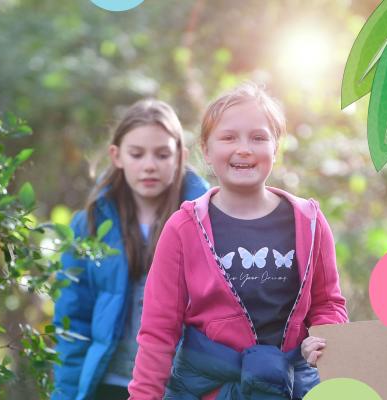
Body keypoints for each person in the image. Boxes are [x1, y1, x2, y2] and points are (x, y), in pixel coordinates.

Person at [129, 83, 348, 400]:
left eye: (258, 138)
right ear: (206, 150)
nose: (244, 148)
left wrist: (326, 339)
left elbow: (327, 303)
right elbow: (158, 330)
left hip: (291, 388)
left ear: (276, 148)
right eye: (229, 137)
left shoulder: (309, 222)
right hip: (210, 390)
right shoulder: (184, 228)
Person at [52, 99, 210, 400]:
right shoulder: (89, 224)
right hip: (107, 383)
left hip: (176, 388)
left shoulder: (207, 222)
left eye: (162, 154)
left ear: (181, 157)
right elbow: (71, 319)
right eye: (137, 154)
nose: (149, 165)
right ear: (117, 155)